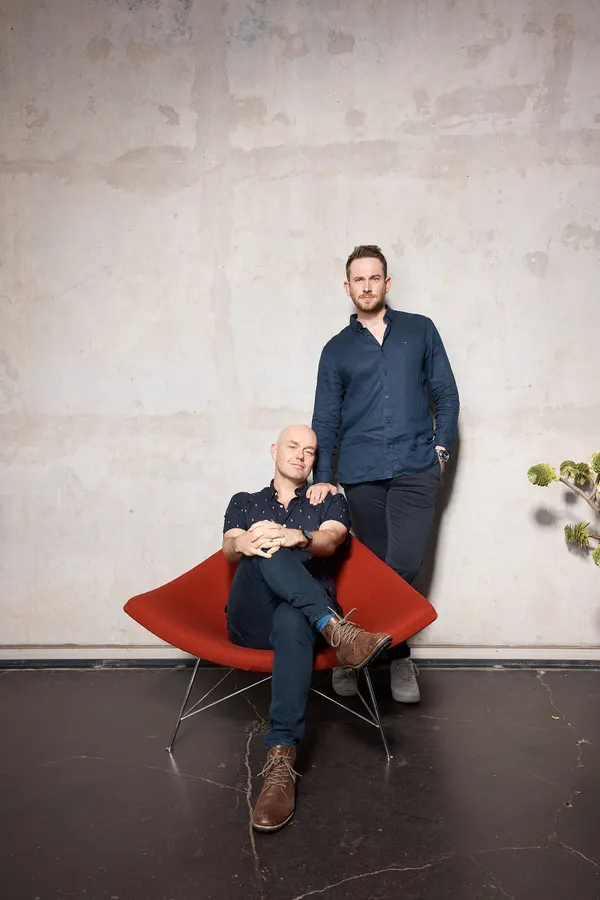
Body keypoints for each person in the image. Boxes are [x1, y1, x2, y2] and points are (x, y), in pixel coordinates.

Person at [222, 423, 392, 833]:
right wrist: (247, 542)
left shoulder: (329, 500)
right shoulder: (245, 501)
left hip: (296, 624)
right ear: (274, 449)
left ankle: (281, 758)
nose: (300, 455)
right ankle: (337, 629)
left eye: (310, 451)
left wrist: (298, 536)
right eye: (293, 446)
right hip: (251, 618)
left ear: (316, 460)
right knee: (264, 543)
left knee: (291, 615)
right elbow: (229, 547)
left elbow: (331, 541)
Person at [309, 245, 459, 704]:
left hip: (416, 466)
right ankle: (394, 657)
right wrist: (323, 477)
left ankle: (358, 649)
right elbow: (325, 419)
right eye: (359, 279)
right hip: (362, 472)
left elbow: (446, 394)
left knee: (403, 565)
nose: (367, 286)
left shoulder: (420, 330)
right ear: (348, 287)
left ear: (387, 283)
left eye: (375, 277)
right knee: (371, 569)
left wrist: (440, 449)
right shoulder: (336, 349)